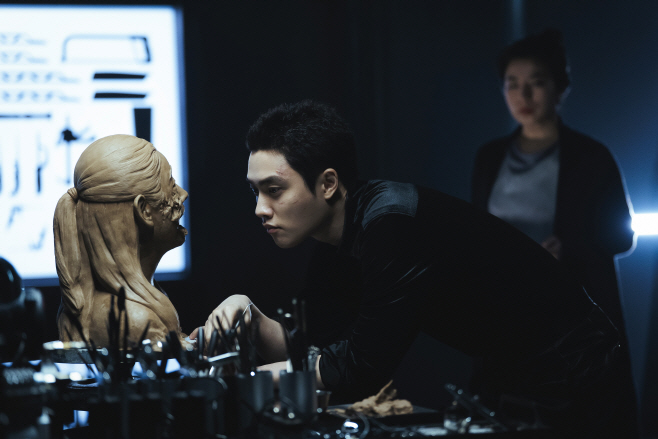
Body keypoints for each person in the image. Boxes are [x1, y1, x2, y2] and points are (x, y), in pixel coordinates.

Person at [194, 100, 632, 437]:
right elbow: (316, 352)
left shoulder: (390, 225)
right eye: (255, 192)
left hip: (576, 368)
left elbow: (359, 369)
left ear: (327, 183)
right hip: (515, 371)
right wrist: (251, 318)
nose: (260, 209)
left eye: (274, 190)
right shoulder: (333, 236)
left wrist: (236, 383)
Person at [472, 30, 638, 436]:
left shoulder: (591, 157)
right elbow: (475, 233)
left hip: (572, 318)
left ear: (560, 88)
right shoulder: (490, 157)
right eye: (512, 84)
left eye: (537, 82)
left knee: (577, 419)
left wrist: (570, 248)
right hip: (505, 312)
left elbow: (623, 236)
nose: (524, 95)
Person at [54, 134, 189, 347]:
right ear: (144, 211)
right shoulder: (137, 322)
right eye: (171, 186)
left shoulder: (130, 308)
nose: (183, 194)